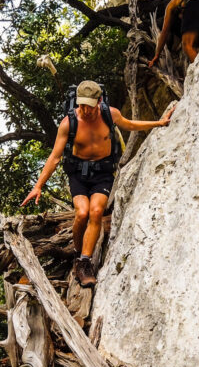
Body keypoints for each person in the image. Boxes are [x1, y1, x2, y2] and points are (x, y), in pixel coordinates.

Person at [21, 81, 174, 287]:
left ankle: (85, 263)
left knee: (96, 211)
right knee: (82, 213)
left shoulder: (110, 114)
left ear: (99, 101)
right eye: (82, 105)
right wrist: (38, 185)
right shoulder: (69, 122)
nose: (85, 110)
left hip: (102, 174)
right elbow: (55, 157)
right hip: (78, 175)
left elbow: (130, 124)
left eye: (90, 106)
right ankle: (78, 253)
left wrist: (159, 123)